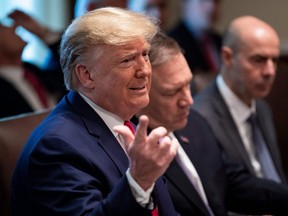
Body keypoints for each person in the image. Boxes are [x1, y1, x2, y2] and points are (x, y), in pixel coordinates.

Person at [11, 7, 179, 216]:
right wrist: (139, 182)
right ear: (87, 75)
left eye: (145, 55)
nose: (144, 69)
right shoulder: (57, 146)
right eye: (127, 60)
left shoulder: (124, 120)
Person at [135, 31, 288, 215]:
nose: (188, 100)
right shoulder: (136, 156)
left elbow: (230, 182)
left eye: (187, 85)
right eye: (172, 92)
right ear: (141, 93)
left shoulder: (194, 122)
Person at [193, 16, 287, 182]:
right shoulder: (201, 118)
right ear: (228, 57)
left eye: (274, 60)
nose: (270, 71)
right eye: (258, 60)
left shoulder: (262, 107)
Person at [0, 21, 57, 118]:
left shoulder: (33, 70)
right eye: (2, 27)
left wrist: (43, 34)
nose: (14, 27)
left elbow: (71, 69)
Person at [168, 0, 222, 94]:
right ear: (184, 4)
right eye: (203, 1)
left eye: (216, 1)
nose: (211, 7)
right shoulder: (170, 43)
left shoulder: (220, 40)